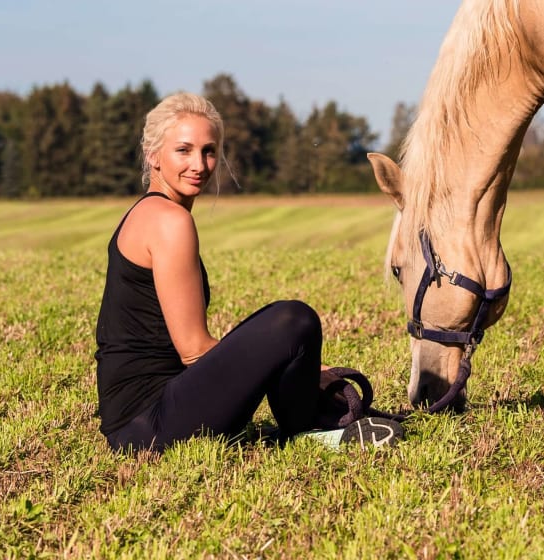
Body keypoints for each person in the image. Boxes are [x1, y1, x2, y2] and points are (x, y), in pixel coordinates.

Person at [94, 92, 403, 452]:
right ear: (153, 154)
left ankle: (313, 430)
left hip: (141, 421)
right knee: (293, 320)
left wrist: (284, 366)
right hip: (150, 427)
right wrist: (292, 371)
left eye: (209, 151)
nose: (199, 164)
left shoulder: (149, 214)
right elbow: (193, 351)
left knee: (283, 328)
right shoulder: (169, 221)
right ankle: (310, 434)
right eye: (184, 150)